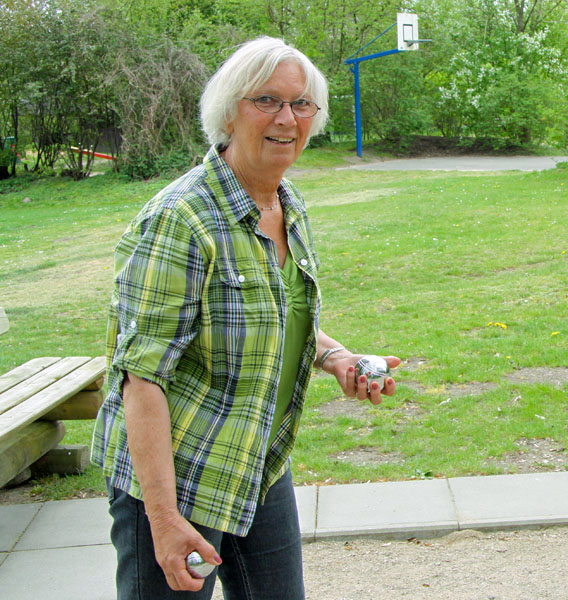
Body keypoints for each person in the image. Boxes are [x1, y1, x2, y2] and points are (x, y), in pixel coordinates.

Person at [91, 36, 399, 599]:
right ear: (229, 111)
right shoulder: (179, 220)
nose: (288, 118)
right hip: (177, 477)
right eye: (268, 101)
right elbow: (141, 378)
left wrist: (336, 358)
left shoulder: (287, 203)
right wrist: (161, 519)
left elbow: (278, 315)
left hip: (257, 459)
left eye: (302, 104)